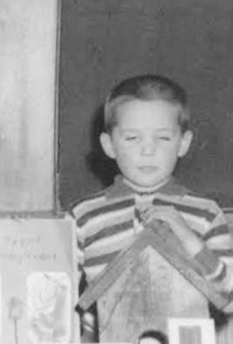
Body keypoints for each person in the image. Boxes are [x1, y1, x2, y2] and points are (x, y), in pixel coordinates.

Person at [70, 74, 233, 328]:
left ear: (183, 143)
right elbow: (61, 296)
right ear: (109, 145)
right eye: (132, 138)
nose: (148, 150)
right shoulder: (83, 216)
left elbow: (229, 297)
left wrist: (188, 237)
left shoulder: (206, 214)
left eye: (163, 138)